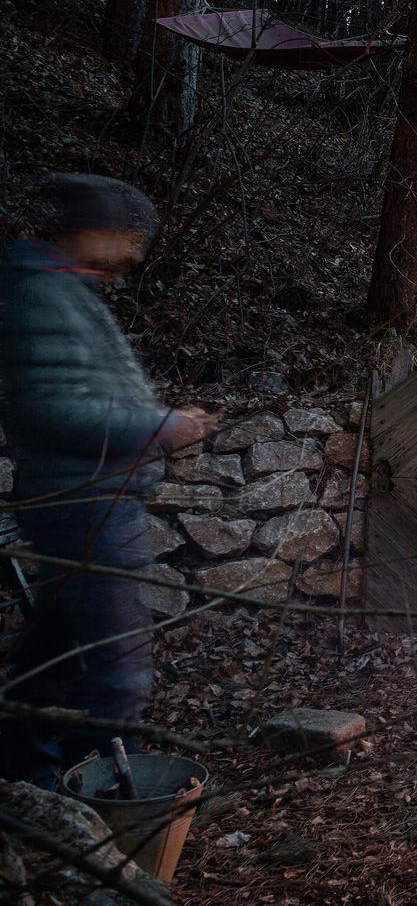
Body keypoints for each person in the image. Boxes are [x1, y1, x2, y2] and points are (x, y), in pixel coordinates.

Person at [0, 173, 215, 787]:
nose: (135, 254)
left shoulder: (63, 289)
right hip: (86, 502)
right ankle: (79, 804)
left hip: (92, 498)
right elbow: (54, 411)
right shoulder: (42, 292)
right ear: (95, 231)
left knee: (48, 663)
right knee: (116, 677)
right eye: (131, 240)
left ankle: (28, 791)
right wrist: (161, 426)